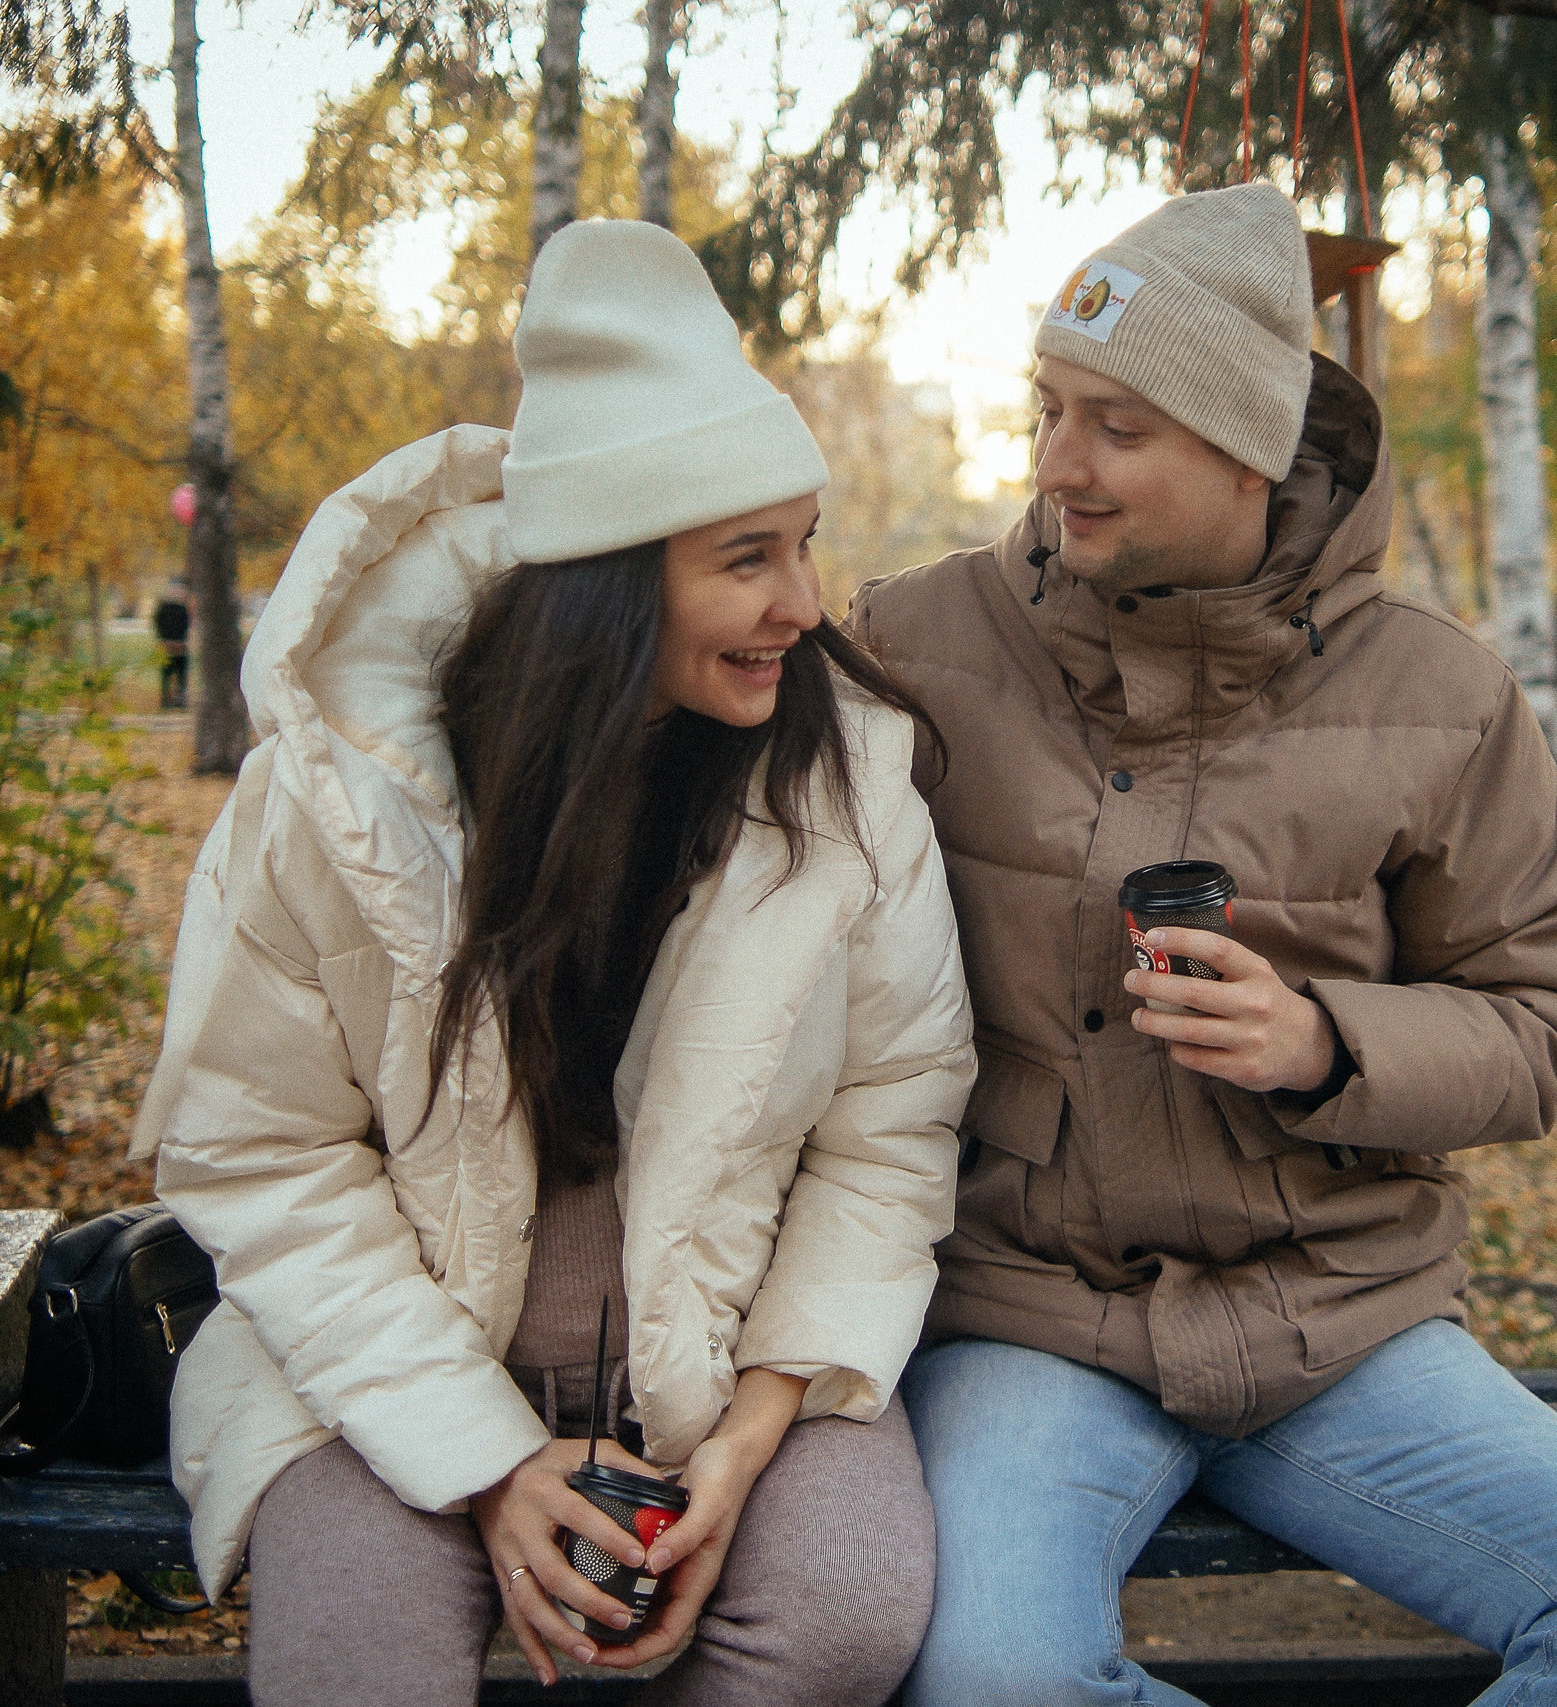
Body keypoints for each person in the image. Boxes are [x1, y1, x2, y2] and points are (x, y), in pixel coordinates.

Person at [849, 184, 1557, 1706]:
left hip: (1340, 1316)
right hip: (1030, 1315)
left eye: (1118, 426)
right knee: (997, 1677)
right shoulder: (915, 643)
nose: (1058, 463)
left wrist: (1329, 1040)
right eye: (1051, 408)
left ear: (1253, 447)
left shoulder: (1443, 692)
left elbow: (1543, 1025)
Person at [130, 221, 974, 1707]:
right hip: (392, 1367)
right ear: (605, 583)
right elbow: (255, 1148)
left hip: (728, 1359)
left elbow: (891, 1126)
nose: (803, 602)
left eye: (805, 542)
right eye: (745, 558)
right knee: (357, 1657)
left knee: (843, 1606)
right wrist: (486, 1457)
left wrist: (755, 1424)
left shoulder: (846, 785)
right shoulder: (340, 794)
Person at [153, 579, 191, 710]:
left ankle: (180, 699)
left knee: (181, 675)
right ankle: (166, 700)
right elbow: (158, 624)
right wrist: (162, 639)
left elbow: (186, 625)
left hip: (180, 645)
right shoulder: (164, 608)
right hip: (167, 645)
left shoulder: (182, 608)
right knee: (166, 675)